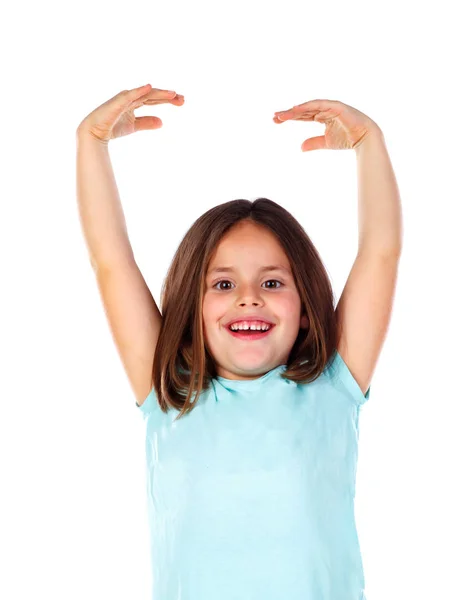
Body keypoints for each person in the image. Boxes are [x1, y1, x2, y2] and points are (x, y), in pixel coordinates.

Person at [76, 83, 402, 600]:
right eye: (223, 284)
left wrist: (370, 143)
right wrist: (90, 144)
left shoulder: (333, 385)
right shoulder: (168, 392)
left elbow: (380, 253)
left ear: (304, 306)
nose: (248, 299)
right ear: (192, 305)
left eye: (272, 283)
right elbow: (110, 262)